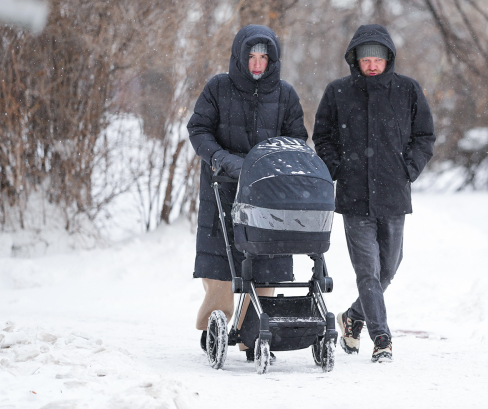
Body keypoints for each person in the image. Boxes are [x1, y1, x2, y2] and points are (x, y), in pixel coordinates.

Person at [312, 24, 436, 363]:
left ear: (388, 59)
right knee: (367, 271)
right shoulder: (338, 92)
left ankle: (353, 318)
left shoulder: (407, 90)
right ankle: (381, 338)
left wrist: (407, 169)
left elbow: (425, 136)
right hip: (354, 198)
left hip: (394, 196)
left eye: (377, 59)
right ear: (355, 59)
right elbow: (321, 137)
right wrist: (338, 168)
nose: (371, 65)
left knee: (388, 268)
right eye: (365, 59)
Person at [187, 24, 307, 361]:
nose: (257, 64)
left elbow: (297, 139)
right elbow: (198, 129)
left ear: (272, 60)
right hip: (222, 187)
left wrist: (272, 163)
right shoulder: (218, 88)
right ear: (241, 57)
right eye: (251, 57)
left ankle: (251, 332)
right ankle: (216, 322)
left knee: (266, 260)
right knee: (220, 265)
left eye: (263, 58)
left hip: (269, 192)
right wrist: (222, 160)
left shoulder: (285, 95)